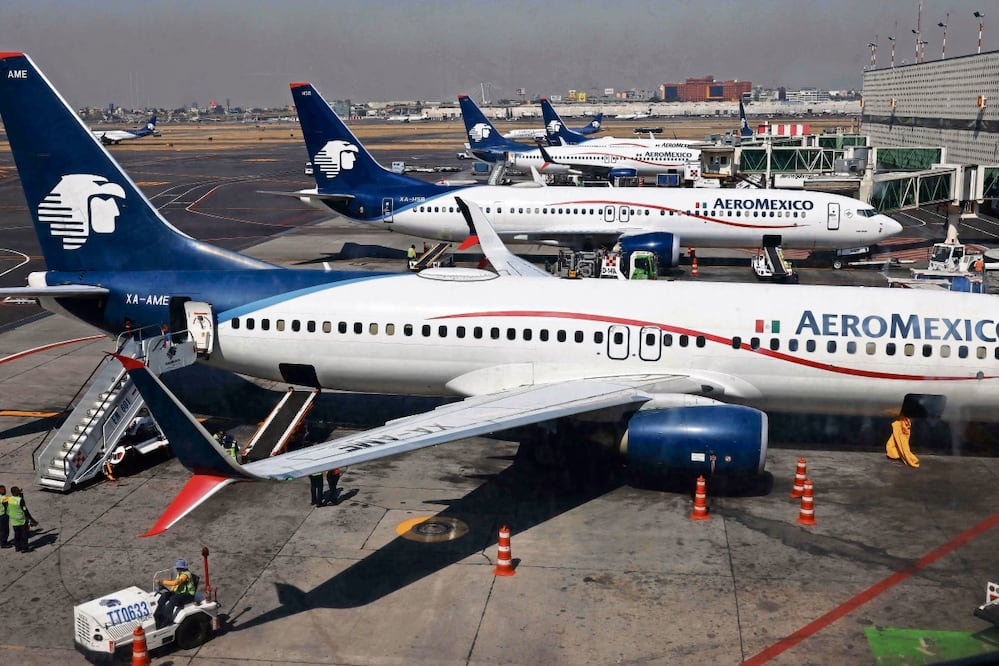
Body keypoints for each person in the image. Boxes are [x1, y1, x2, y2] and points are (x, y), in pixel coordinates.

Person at [154, 559, 197, 628]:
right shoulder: (180, 573)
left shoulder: (185, 575)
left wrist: (162, 582)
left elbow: (175, 582)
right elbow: (175, 585)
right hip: (180, 593)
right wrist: (171, 592)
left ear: (182, 568)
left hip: (188, 595)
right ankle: (158, 613)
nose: (176, 569)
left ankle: (167, 618)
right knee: (165, 595)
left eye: (178, 567)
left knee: (173, 599)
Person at [6, 487, 38, 553]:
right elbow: (25, 510)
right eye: (18, 490)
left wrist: (20, 494)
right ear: (17, 492)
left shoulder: (9, 499)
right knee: (24, 535)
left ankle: (17, 547)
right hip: (21, 520)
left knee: (17, 534)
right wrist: (32, 519)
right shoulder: (20, 500)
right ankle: (25, 548)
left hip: (14, 520)